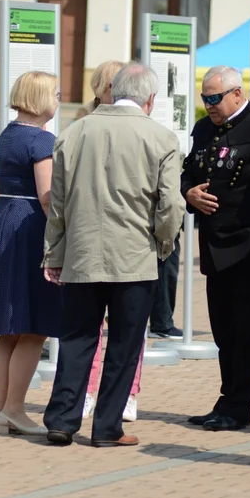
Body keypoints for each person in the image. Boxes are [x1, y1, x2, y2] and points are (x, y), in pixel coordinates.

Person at [42, 64, 185, 447]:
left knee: (76, 339)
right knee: (124, 343)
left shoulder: (73, 133)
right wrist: (164, 244)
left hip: (83, 253)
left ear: (112, 90)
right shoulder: (161, 138)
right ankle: (107, 427)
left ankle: (62, 419)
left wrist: (54, 253)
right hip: (136, 257)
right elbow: (171, 204)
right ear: (150, 99)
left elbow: (58, 204)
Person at [182, 65, 250, 432]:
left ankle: (239, 405)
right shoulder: (203, 129)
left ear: (237, 94)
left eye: (215, 98)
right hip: (215, 246)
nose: (209, 105)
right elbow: (188, 171)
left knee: (246, 332)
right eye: (205, 98)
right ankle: (227, 398)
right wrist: (188, 193)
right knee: (223, 330)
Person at [0, 71, 63, 437]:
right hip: (30, 227)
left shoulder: (5, 136)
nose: (59, 99)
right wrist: (62, 236)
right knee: (34, 327)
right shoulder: (42, 140)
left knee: (9, 327)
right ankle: (14, 408)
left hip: (1, 223)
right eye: (56, 93)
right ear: (43, 98)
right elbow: (47, 197)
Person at [74, 60, 147, 423]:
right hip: (91, 247)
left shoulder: (148, 131)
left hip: (131, 249)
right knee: (90, 330)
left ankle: (126, 395)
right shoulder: (81, 128)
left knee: (130, 331)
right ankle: (87, 394)